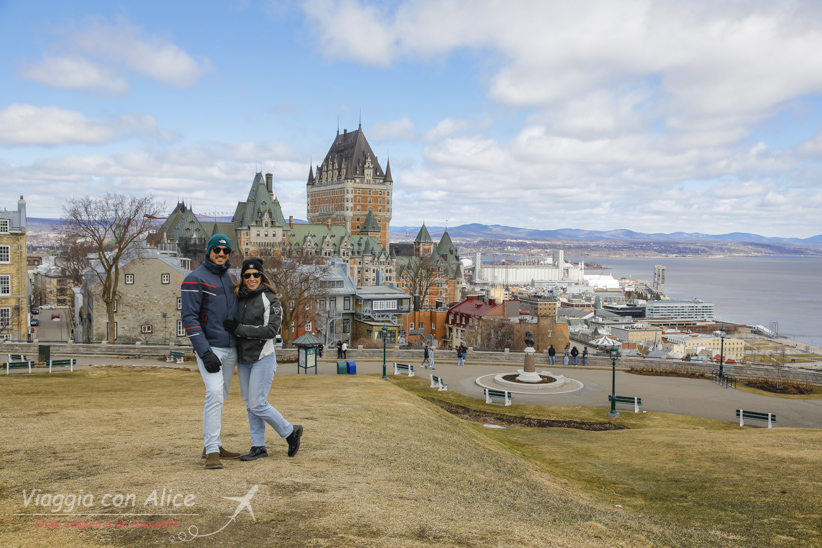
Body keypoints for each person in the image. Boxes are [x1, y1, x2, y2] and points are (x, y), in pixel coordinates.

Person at [223, 258, 302, 461]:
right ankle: (258, 446)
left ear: (261, 276)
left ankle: (290, 431)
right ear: (242, 277)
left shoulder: (271, 300)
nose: (251, 278)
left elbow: (271, 331)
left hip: (263, 357)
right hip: (244, 358)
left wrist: (239, 330)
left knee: (258, 403)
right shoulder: (238, 297)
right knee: (250, 404)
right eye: (247, 275)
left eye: (255, 275)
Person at [181, 234, 241, 470]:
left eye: (225, 251)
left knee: (221, 396)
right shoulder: (194, 279)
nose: (221, 254)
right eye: (217, 250)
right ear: (208, 251)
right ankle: (213, 451)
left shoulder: (230, 278)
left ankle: (212, 444)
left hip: (230, 348)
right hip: (211, 348)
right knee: (214, 393)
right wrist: (204, 352)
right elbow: (189, 318)